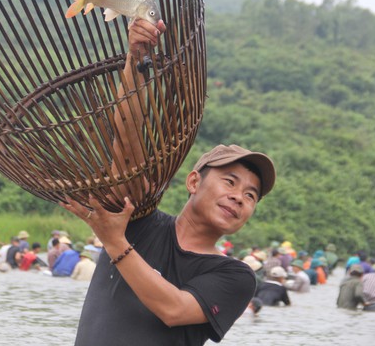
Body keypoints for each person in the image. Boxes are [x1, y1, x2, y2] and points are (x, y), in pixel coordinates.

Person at [61, 19, 277, 344]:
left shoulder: (235, 276)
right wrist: (136, 61)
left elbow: (174, 309)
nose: (239, 198)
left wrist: (115, 241)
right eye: (230, 182)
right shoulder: (139, 221)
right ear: (194, 182)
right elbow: (127, 144)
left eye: (250, 195)